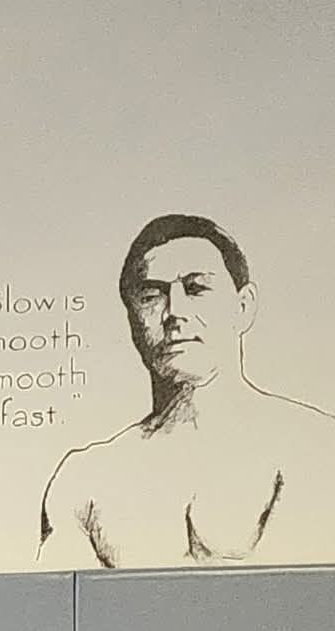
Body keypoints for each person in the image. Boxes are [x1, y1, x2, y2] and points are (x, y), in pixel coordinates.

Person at [39, 213, 335, 567]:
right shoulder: (84, 478)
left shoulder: (317, 445)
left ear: (244, 307)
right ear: (131, 318)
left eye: (196, 289)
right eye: (151, 295)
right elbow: (58, 614)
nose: (174, 313)